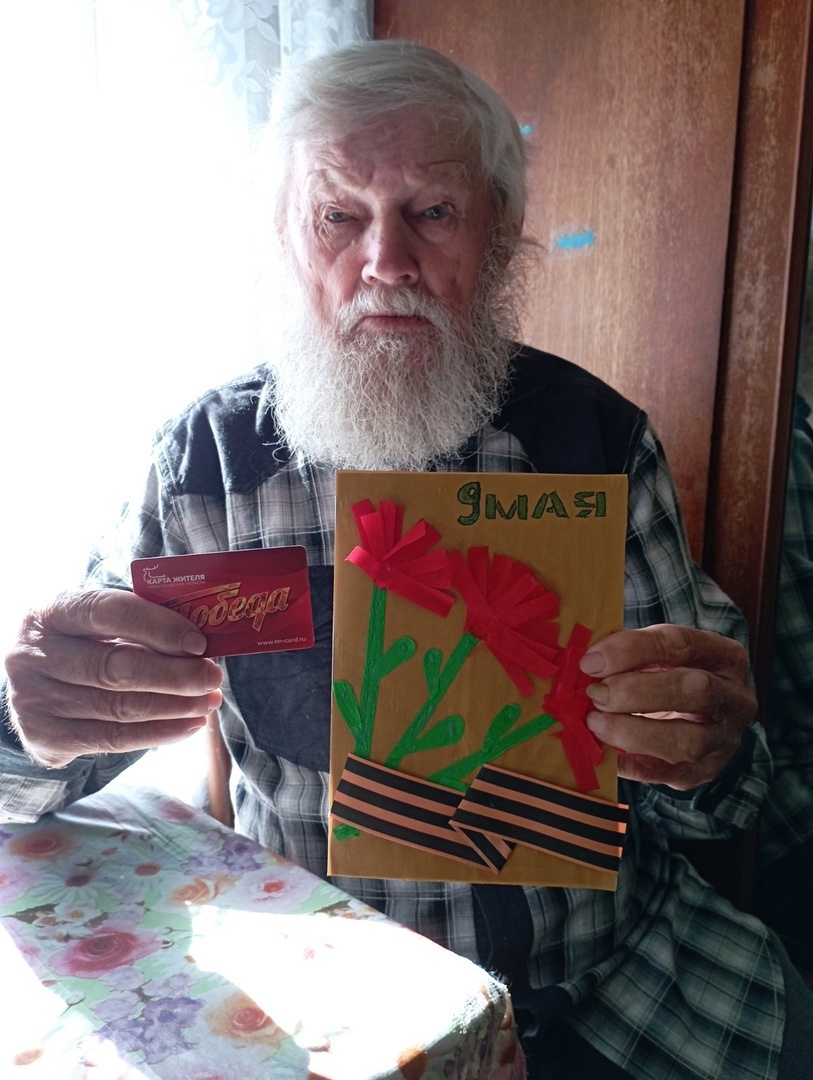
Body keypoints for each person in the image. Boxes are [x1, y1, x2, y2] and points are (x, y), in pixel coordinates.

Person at [2, 39, 811, 1079]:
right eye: (338, 217)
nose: (386, 260)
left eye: (432, 211)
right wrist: (29, 717)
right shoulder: (203, 468)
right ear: (285, 238)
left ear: (500, 236)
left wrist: (709, 750)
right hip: (340, 1003)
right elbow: (38, 777)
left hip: (612, 976)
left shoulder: (594, 440)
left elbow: (726, 802)